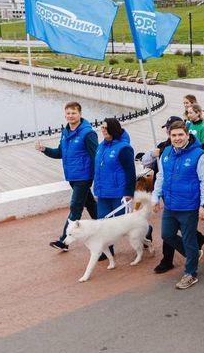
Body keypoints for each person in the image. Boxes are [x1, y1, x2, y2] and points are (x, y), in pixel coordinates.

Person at [151, 121, 204, 289]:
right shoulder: (167, 153)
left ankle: (190, 273)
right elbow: (161, 176)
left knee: (189, 238)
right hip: (170, 204)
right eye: (173, 135)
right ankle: (192, 254)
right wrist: (155, 197)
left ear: (187, 135)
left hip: (189, 206)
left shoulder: (199, 155)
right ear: (169, 137)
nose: (177, 138)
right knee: (167, 235)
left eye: (180, 135)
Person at [36, 102, 98, 251]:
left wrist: (98, 177)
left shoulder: (88, 133)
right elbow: (60, 153)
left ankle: (64, 241)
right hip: (72, 176)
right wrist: (44, 149)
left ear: (80, 114)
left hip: (84, 176)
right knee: (90, 204)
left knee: (75, 207)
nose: (70, 116)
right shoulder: (65, 132)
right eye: (68, 113)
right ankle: (105, 226)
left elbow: (96, 155)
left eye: (73, 113)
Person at [93, 118, 136, 221]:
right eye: (102, 127)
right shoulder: (100, 147)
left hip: (118, 194)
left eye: (106, 128)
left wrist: (129, 193)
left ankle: (146, 231)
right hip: (102, 193)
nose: (103, 130)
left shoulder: (124, 148)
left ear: (113, 129)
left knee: (123, 225)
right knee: (102, 224)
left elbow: (130, 172)